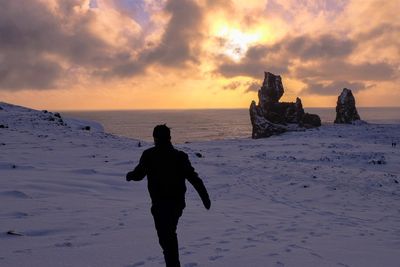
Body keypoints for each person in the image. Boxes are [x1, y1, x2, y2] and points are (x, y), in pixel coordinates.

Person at [126, 124, 211, 267]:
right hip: (176, 205)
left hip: (160, 206)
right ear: (170, 138)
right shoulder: (179, 156)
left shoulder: (149, 155)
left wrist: (130, 176)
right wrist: (205, 198)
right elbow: (194, 178)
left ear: (154, 138)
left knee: (167, 238)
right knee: (168, 236)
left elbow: (139, 175)